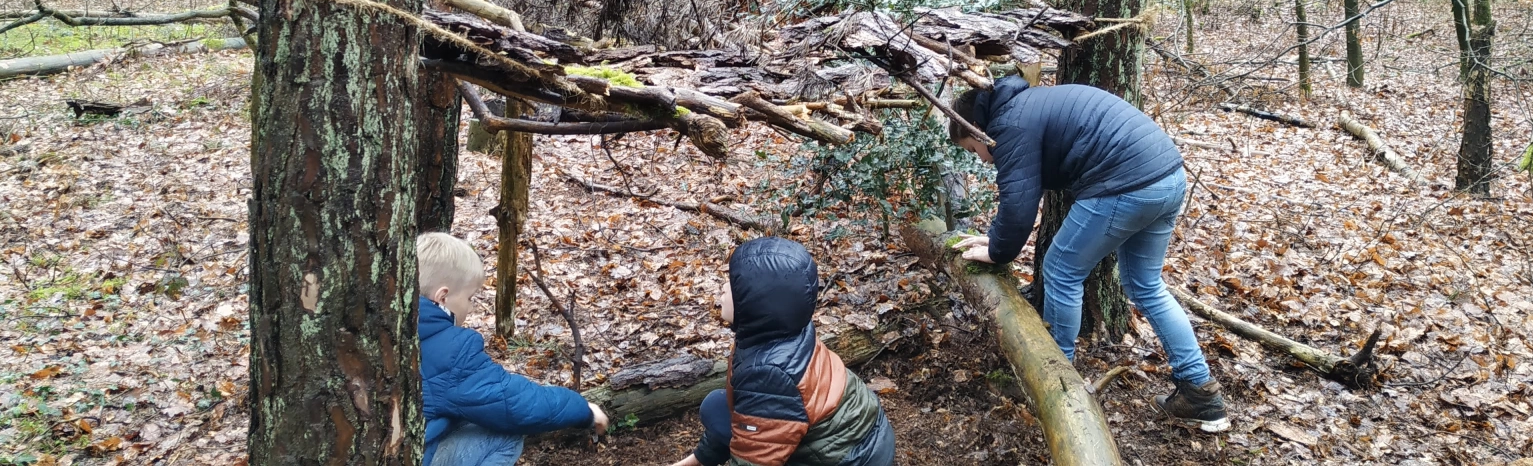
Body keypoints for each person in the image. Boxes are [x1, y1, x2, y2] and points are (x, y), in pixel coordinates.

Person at [946, 76, 1232, 433]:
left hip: (1126, 182)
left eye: (975, 150)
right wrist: (996, 240)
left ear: (977, 129)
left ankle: (1057, 379)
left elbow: (1018, 207)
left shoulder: (1009, 124)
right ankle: (1200, 394)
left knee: (1061, 270)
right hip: (1168, 177)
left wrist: (997, 250)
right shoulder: (1027, 104)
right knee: (1145, 285)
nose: (983, 160)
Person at [666, 237, 895, 466]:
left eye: (734, 285)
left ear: (759, 304)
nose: (724, 289)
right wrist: (697, 461)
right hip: (862, 439)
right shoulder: (782, 331)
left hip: (855, 458)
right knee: (720, 407)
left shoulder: (770, 375)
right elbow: (743, 419)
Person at [416, 232, 609, 466]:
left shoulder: (387, 330)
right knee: (505, 437)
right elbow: (512, 404)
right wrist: (582, 409)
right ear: (443, 298)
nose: (471, 307)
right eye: (469, 297)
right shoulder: (452, 348)